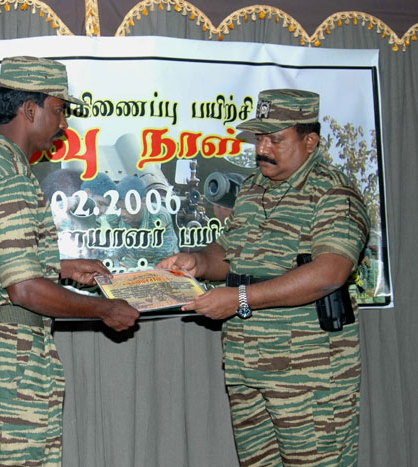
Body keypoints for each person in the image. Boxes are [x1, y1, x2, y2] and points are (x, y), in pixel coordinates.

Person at [158, 89, 370, 466]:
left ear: (310, 141)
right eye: (259, 138)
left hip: (309, 374)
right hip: (248, 365)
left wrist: (240, 299)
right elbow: (230, 252)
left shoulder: (333, 192)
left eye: (275, 139)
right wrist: (198, 262)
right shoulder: (253, 187)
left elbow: (330, 272)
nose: (262, 149)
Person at [0, 56, 139, 466]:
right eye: (59, 109)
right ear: (30, 110)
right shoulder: (10, 179)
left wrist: (62, 268)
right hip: (12, 361)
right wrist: (104, 309)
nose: (64, 123)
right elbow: (24, 290)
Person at [115, 175, 179, 269]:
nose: (123, 213)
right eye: (120, 208)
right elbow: (119, 249)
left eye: (129, 208)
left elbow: (164, 258)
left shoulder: (160, 217)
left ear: (144, 202)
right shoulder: (118, 217)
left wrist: (137, 269)